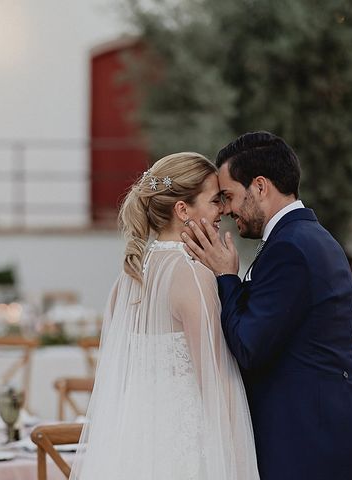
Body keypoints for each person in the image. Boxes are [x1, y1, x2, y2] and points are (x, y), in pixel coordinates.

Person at [182, 131, 352, 480]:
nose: (226, 209)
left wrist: (226, 277)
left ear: (260, 186)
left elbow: (250, 345)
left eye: (229, 196)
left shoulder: (290, 248)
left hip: (308, 442)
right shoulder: (308, 237)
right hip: (325, 430)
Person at [70, 152, 259, 480]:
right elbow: (215, 379)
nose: (223, 212)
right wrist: (240, 462)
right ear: (183, 210)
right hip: (186, 448)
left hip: (134, 445)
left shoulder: (128, 277)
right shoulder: (192, 275)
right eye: (215, 201)